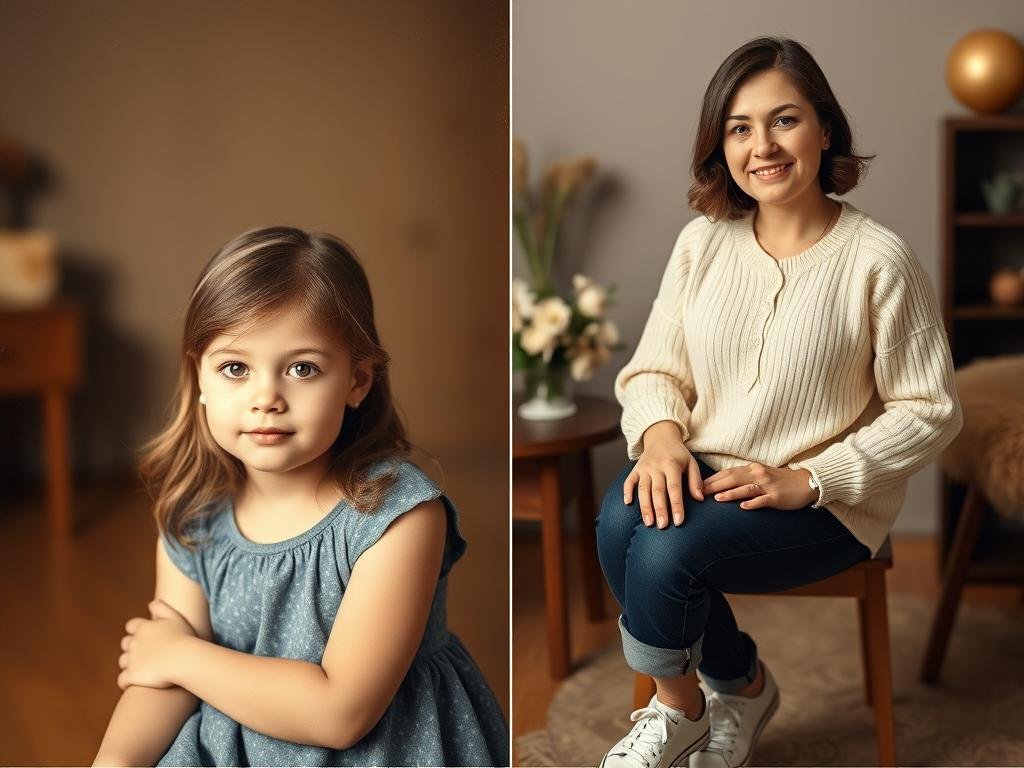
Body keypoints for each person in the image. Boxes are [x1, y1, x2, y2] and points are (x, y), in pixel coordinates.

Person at [596, 36, 962, 768]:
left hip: (825, 500)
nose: (762, 145)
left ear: (825, 131)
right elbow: (653, 372)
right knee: (617, 522)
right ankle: (729, 690)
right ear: (721, 145)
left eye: (784, 120)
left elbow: (931, 409)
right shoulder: (702, 242)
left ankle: (682, 712)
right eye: (739, 127)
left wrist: (811, 479)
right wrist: (663, 435)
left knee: (668, 551)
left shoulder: (878, 259)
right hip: (709, 467)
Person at [92, 226, 509, 767]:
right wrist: (115, 761)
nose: (266, 398)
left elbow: (341, 713)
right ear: (201, 377)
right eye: (235, 368)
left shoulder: (397, 515)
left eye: (302, 368)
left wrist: (179, 654)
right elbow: (160, 680)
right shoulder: (194, 518)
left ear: (358, 381)